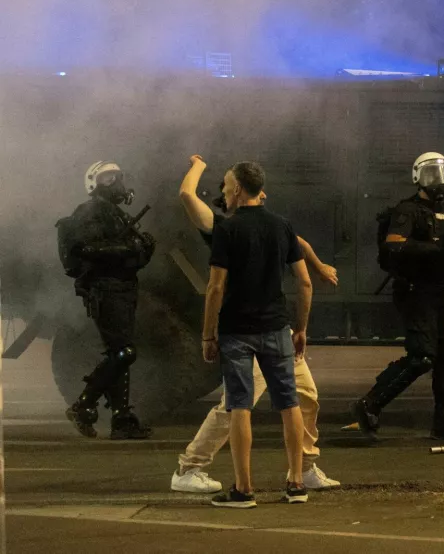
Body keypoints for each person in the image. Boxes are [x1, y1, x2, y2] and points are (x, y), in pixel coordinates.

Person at [171, 155, 340, 493]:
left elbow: (298, 243)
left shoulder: (271, 225)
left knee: (305, 395)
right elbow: (188, 196)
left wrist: (319, 265)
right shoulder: (220, 228)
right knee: (235, 407)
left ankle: (304, 466)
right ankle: (190, 466)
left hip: (276, 329)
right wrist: (198, 164)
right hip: (254, 329)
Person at [201, 161, 311, 508]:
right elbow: (305, 282)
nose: (222, 193)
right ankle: (295, 482)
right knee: (289, 403)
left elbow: (215, 287)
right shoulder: (283, 226)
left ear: (236, 190)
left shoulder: (227, 230)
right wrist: (302, 327)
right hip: (277, 327)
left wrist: (208, 334)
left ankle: (244, 488)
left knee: (240, 406)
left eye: (225, 187)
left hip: (237, 331)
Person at [350, 152, 444, 441]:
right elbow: (395, 246)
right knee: (422, 358)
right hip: (417, 292)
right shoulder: (408, 210)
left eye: (443, 172)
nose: (440, 180)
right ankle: (369, 405)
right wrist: (438, 249)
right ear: (418, 177)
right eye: (432, 174)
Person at [58, 161, 156, 440]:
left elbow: (131, 259)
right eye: (109, 178)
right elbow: (87, 248)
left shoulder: (115, 213)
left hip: (121, 287)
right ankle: (83, 405)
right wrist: (130, 247)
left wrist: (143, 250)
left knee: (121, 352)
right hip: (105, 288)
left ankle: (121, 419)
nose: (116, 183)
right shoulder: (90, 210)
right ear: (96, 183)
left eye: (116, 178)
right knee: (124, 352)